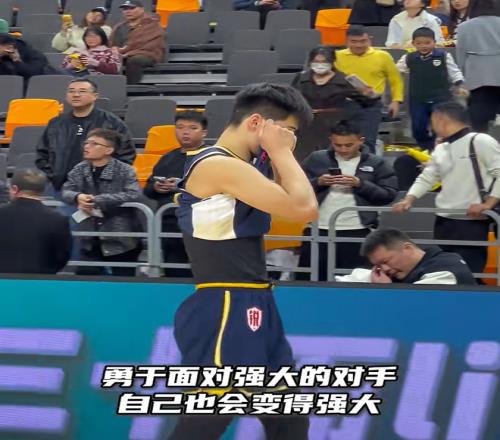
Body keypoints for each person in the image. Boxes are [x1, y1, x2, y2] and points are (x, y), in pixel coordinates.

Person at [168, 84, 317, 439]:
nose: (290, 139)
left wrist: (278, 153)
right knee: (209, 417)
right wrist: (281, 152)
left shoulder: (242, 166)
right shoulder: (218, 164)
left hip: (255, 299)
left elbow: (291, 198)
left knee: (288, 416)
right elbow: (304, 208)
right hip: (225, 303)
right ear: (256, 122)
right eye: (286, 130)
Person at [393, 101, 500, 275]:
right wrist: (409, 199)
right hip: (443, 220)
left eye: (432, 120)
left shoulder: (481, 141)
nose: (431, 126)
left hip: (472, 221)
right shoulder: (442, 148)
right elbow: (427, 177)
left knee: (469, 272)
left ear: (440, 119)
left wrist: (488, 204)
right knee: (444, 271)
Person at [298, 120, 398, 280]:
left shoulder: (377, 163)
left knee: (354, 281)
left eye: (348, 145)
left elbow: (389, 195)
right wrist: (318, 182)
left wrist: (360, 184)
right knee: (310, 280)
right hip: (317, 229)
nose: (343, 149)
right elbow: (295, 189)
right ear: (331, 140)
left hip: (358, 230)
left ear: (361, 140)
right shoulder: (316, 159)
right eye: (338, 145)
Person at [62, 129, 142, 276]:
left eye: (94, 144)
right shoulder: (79, 169)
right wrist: (78, 196)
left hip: (121, 238)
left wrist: (97, 200)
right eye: (86, 143)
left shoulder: (124, 170)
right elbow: (66, 190)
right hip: (89, 237)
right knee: (85, 276)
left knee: (123, 281)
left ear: (108, 150)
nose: (87, 146)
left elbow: (134, 194)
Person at [36, 78, 136, 193]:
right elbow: (42, 154)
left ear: (95, 96)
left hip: (99, 189)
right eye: (71, 91)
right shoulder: (56, 123)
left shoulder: (111, 122)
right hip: (60, 186)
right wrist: (53, 175)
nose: (76, 95)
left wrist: (105, 179)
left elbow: (126, 155)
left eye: (82, 91)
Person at [143, 111, 208, 278]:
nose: (185, 132)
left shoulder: (212, 156)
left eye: (192, 128)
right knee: (173, 270)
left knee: (204, 269)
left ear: (204, 133)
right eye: (180, 127)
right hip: (169, 222)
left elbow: (217, 187)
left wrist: (181, 186)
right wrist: (156, 187)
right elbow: (148, 189)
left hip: (202, 223)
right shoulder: (168, 157)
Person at [292, 45, 376, 161]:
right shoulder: (301, 78)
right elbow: (292, 98)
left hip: (333, 125)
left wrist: (368, 93)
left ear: (332, 62)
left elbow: (367, 102)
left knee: (331, 158)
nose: (320, 64)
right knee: (303, 158)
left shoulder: (344, 80)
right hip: (306, 126)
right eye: (316, 61)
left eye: (324, 61)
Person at [396, 27, 467, 150]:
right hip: (417, 98)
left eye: (427, 42)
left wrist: (460, 85)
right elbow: (395, 71)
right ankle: (425, 147)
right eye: (419, 43)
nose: (423, 46)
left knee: (439, 127)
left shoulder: (444, 56)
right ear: (413, 44)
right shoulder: (408, 58)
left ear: (434, 42)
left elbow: (454, 72)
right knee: (418, 127)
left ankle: (438, 149)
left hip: (441, 98)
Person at [335, 26, 404, 153]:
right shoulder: (337, 56)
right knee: (345, 139)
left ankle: (368, 164)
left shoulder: (383, 56)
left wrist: (396, 101)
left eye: (363, 41)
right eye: (354, 41)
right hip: (346, 103)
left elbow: (395, 80)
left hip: (372, 104)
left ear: (369, 40)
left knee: (368, 141)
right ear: (346, 41)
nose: (359, 45)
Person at [0, 169, 72, 274]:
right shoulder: (58, 219)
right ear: (43, 190)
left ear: (14, 189)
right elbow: (62, 256)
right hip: (41, 279)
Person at [359, 228, 477, 284]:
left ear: (407, 249)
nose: (384, 269)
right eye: (379, 265)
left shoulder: (444, 272)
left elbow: (413, 307)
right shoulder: (406, 269)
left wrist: (385, 290)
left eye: (386, 261)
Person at [456, 0, 500, 132]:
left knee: (478, 118)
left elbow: (461, 54)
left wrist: (462, 77)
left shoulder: (464, 27)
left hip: (476, 76)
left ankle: (480, 141)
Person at [110, 0, 165, 85]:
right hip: (122, 54)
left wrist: (128, 52)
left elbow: (152, 45)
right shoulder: (120, 27)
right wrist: (115, 50)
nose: (128, 11)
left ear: (142, 9)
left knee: (134, 60)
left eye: (131, 8)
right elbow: (114, 45)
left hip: (146, 54)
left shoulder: (152, 24)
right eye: (125, 9)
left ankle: (131, 88)